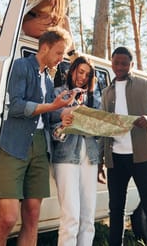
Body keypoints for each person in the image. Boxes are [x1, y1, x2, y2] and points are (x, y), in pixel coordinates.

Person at [0, 27, 79, 246]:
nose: (61, 59)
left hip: (40, 147)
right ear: (44, 48)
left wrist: (64, 112)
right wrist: (52, 105)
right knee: (7, 219)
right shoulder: (20, 66)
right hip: (14, 146)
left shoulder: (48, 80)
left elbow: (47, 114)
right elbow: (15, 106)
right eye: (58, 53)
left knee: (33, 217)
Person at [98, 46, 147, 246]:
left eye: (124, 63)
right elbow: (105, 129)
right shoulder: (106, 93)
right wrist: (102, 160)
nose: (119, 67)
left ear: (131, 65)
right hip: (116, 159)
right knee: (116, 209)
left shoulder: (145, 85)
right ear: (111, 63)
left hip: (142, 156)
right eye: (116, 63)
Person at [51, 56, 101, 246]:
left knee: (88, 217)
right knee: (70, 216)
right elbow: (49, 125)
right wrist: (62, 125)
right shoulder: (58, 94)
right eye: (81, 72)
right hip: (65, 156)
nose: (83, 77)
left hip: (90, 155)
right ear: (72, 71)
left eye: (88, 75)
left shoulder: (94, 98)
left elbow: (100, 128)